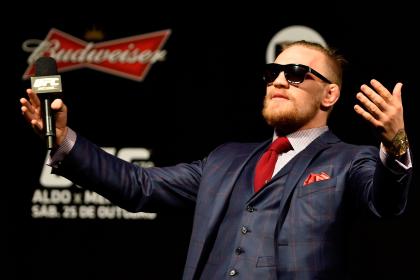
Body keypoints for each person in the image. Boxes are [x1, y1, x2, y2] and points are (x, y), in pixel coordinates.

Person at [20, 40, 412, 280]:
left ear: (329, 96)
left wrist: (395, 145)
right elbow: (140, 186)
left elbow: (386, 200)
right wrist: (65, 141)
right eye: (273, 72)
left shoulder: (350, 161)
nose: (278, 81)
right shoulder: (226, 160)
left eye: (295, 74)